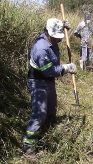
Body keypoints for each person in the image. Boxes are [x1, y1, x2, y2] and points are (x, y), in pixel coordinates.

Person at [22, 18, 77, 154]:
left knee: (52, 108)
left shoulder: (49, 37)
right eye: (56, 37)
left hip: (49, 80)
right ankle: (28, 145)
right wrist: (66, 68)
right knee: (40, 113)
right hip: (38, 81)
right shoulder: (41, 49)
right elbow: (49, 71)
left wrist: (63, 26)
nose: (58, 40)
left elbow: (56, 30)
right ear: (48, 33)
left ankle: (49, 130)